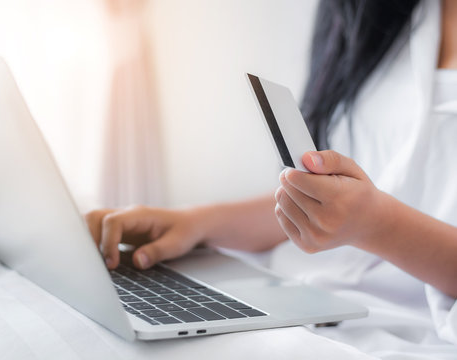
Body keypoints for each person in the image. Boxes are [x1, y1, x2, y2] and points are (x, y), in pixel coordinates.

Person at [86, 0, 457, 331]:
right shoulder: (372, 13)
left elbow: (362, 217)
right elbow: (330, 205)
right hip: (301, 299)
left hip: (409, 333)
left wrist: (379, 225)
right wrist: (195, 222)